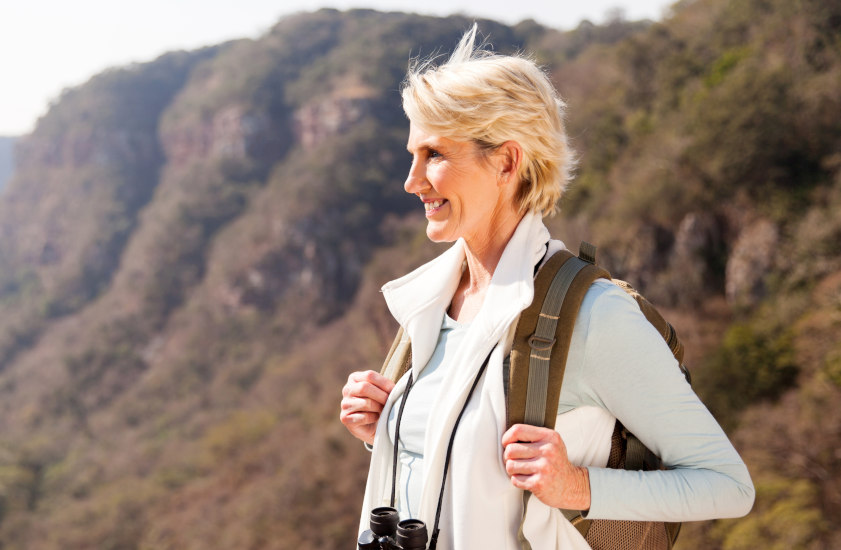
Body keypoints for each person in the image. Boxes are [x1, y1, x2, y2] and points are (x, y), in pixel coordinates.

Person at [340, 26, 754, 549]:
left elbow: (729, 486)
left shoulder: (592, 316)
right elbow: (456, 473)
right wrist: (389, 432)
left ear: (507, 162)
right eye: (412, 155)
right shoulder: (427, 304)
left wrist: (577, 487)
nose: (412, 180)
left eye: (435, 155)